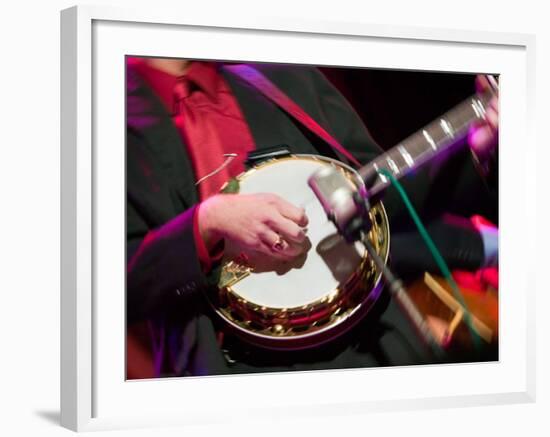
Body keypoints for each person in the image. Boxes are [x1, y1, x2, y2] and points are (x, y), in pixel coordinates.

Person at [126, 57, 498, 378]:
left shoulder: (282, 76)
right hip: (241, 376)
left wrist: (474, 148)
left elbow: (384, 202)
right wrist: (204, 225)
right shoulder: (104, 125)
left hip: (377, 341)